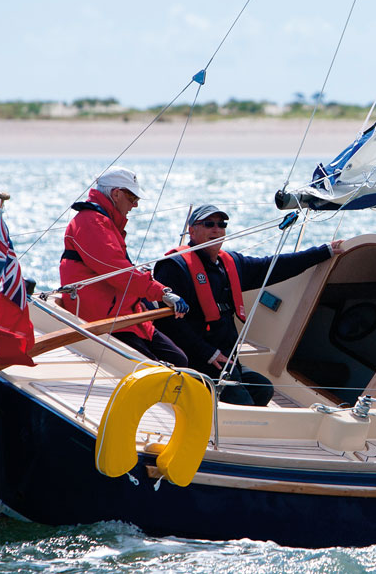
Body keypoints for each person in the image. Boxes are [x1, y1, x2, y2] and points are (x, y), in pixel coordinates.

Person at [154, 204, 343, 406]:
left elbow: (274, 266)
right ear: (192, 231)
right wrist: (207, 353)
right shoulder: (175, 267)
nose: (216, 229)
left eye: (221, 224)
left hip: (227, 359)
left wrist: (324, 252)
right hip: (197, 359)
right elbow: (168, 324)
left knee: (263, 389)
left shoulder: (231, 264)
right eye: (209, 224)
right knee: (243, 402)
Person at [59, 167, 192, 365]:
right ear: (116, 193)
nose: (136, 205)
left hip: (126, 316)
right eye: (132, 199)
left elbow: (118, 270)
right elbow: (118, 271)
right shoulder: (91, 222)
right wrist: (161, 292)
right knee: (159, 368)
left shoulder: (106, 222)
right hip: (104, 320)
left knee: (179, 359)